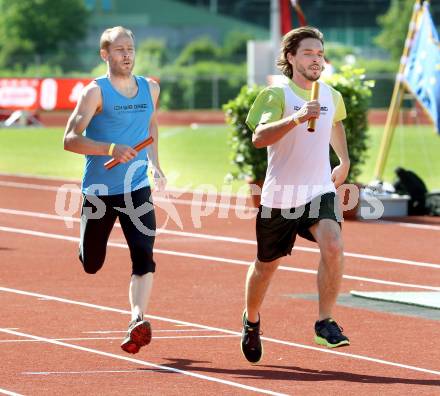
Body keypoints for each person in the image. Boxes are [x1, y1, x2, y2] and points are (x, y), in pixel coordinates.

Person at [241, 26, 350, 364]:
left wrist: (344, 159)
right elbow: (259, 137)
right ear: (291, 57)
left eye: (319, 53)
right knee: (266, 267)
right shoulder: (276, 95)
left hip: (318, 190)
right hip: (281, 196)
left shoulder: (331, 94)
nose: (316, 59)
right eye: (308, 53)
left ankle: (324, 321)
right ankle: (251, 319)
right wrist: (297, 117)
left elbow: (335, 124)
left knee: (333, 245)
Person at [63, 26, 166, 354]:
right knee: (92, 262)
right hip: (99, 190)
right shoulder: (95, 92)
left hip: (137, 187)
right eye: (119, 49)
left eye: (131, 48)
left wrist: (155, 163)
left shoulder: (150, 88)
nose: (127, 55)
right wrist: (110, 148)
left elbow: (151, 124)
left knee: (144, 254)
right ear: (104, 54)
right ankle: (84, 243)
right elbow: (69, 139)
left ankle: (137, 319)